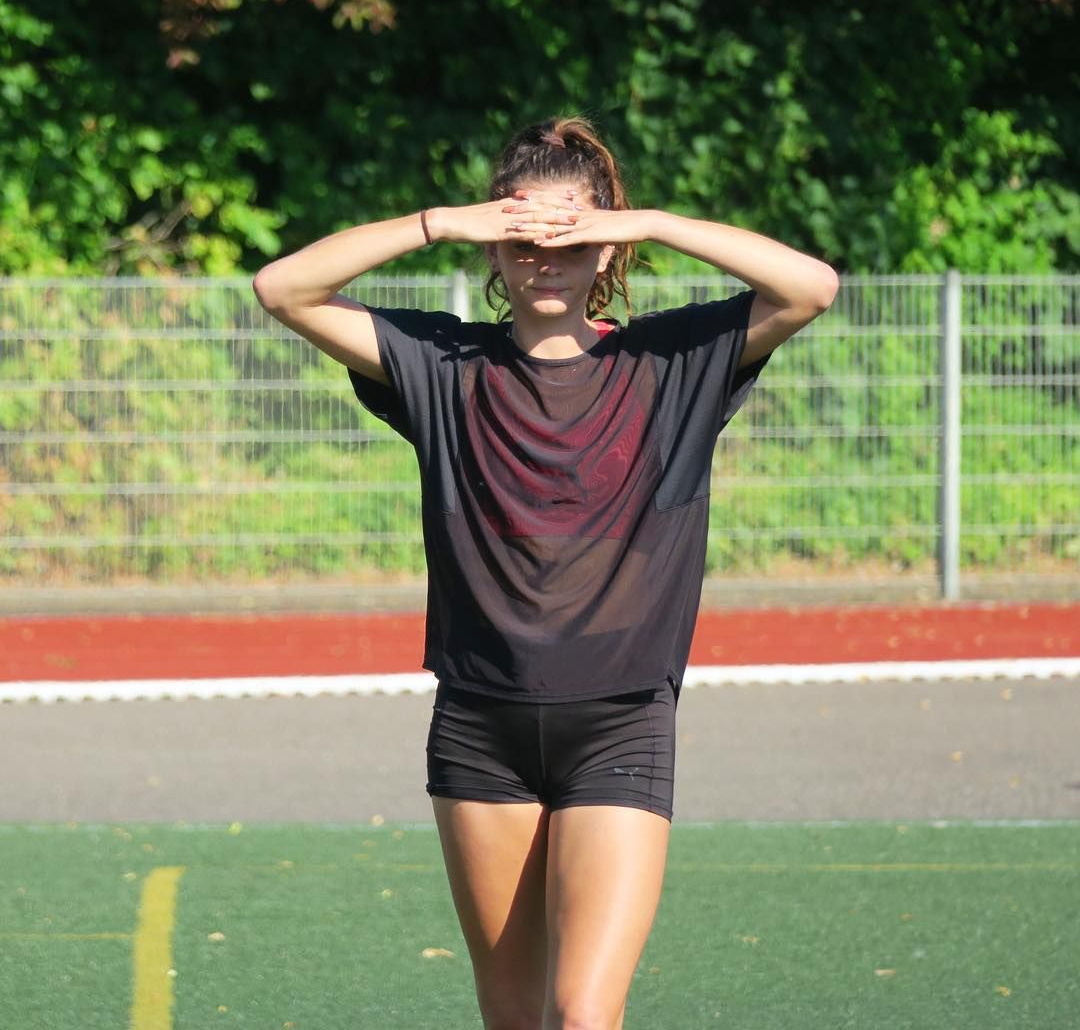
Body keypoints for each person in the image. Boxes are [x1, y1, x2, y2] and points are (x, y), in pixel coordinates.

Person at [253, 115, 838, 1030]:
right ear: (496, 247)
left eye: (571, 237)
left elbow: (812, 287)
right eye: (523, 238)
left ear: (605, 249)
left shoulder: (672, 360)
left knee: (584, 1015)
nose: (546, 259)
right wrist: (440, 223)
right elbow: (282, 288)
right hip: (478, 728)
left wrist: (648, 222)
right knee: (515, 1017)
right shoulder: (442, 364)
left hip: (621, 721)